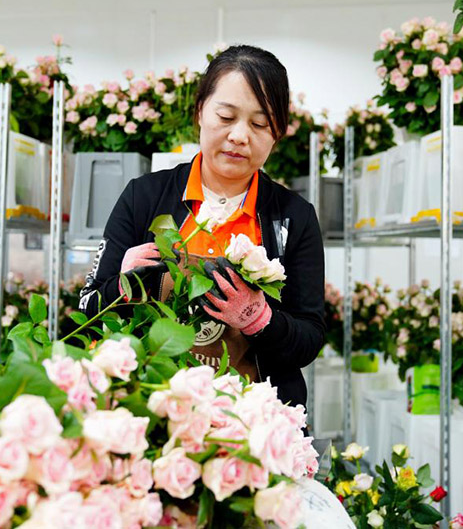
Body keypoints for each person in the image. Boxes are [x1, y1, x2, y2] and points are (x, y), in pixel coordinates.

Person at [79, 45, 325, 408]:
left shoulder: (294, 216)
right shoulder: (144, 197)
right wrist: (124, 286)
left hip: (255, 421)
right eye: (226, 117)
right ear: (199, 112)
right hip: (154, 409)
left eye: (259, 124)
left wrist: (259, 319)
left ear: (277, 133)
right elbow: (87, 309)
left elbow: (309, 337)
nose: (240, 136)